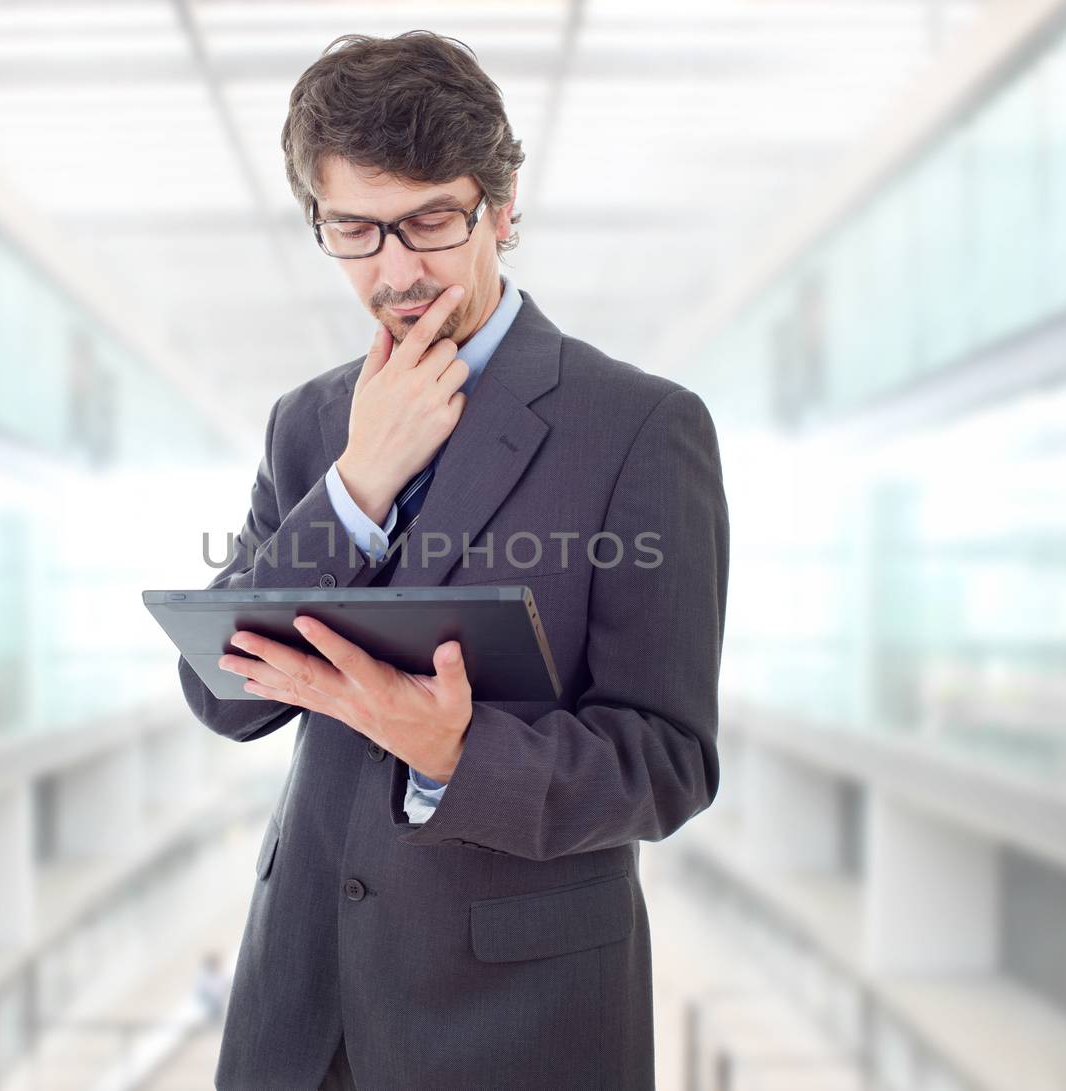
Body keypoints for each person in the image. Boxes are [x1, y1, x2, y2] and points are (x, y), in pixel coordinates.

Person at [177, 30, 728, 1091]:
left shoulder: (641, 427)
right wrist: (356, 486)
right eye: (355, 230)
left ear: (501, 209)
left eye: (430, 221)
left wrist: (456, 751)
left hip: (514, 1023)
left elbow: (668, 761)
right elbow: (224, 694)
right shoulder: (311, 422)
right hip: (301, 1004)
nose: (396, 269)